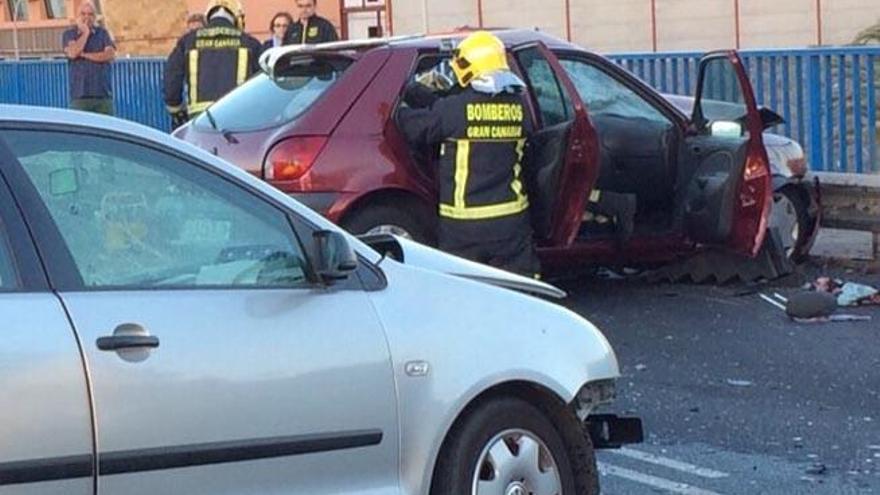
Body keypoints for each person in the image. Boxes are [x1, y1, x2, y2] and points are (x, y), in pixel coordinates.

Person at [396, 31, 540, 277]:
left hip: (463, 225)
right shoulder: (519, 106)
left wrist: (397, 100)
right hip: (511, 221)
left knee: (462, 290)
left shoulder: (454, 109)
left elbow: (412, 125)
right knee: (521, 288)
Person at [163, 0, 262, 129]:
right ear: (236, 16)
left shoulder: (188, 42)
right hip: (238, 122)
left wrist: (176, 110)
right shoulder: (250, 44)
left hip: (200, 121)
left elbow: (172, 77)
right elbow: (262, 84)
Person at [62, 1, 116, 115]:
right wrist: (85, 33)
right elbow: (73, 53)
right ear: (78, 16)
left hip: (102, 95)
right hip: (80, 96)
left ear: (95, 17)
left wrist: (85, 55)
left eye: (90, 14)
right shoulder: (69, 34)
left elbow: (109, 55)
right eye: (83, 14)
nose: (87, 17)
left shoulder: (102, 33)